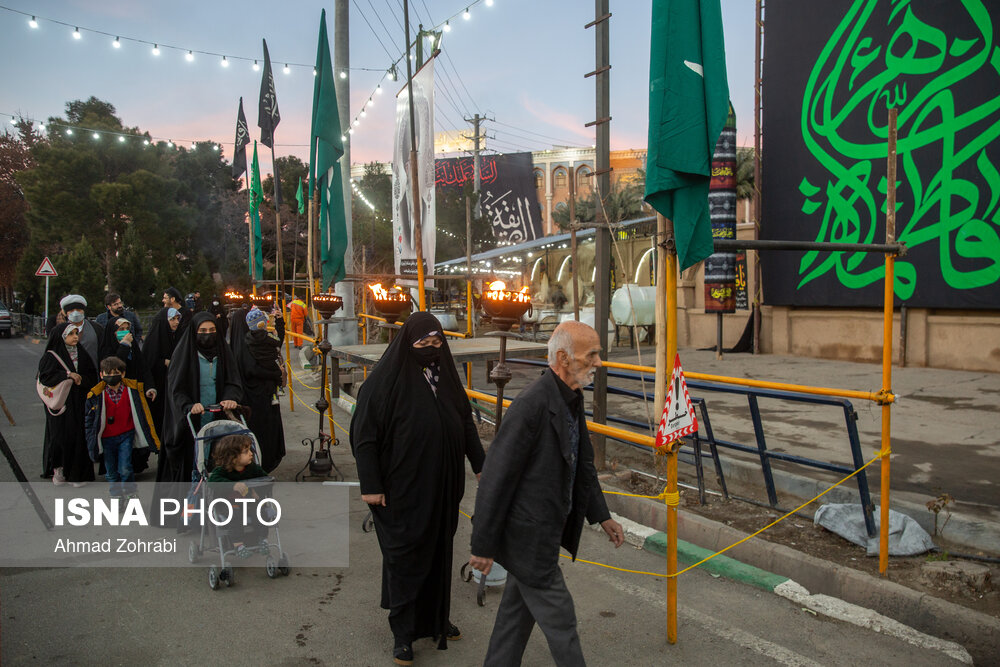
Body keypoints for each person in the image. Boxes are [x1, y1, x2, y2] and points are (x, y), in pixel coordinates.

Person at [469, 320, 625, 667]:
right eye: (592, 355)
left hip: (545, 530)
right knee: (562, 623)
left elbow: (582, 464)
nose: (598, 363)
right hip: (530, 538)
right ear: (563, 358)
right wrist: (482, 546)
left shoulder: (570, 398)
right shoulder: (532, 406)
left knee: (514, 619)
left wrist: (602, 515)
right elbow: (496, 478)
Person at [350, 312, 486, 665]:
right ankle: (403, 632)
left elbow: (465, 423)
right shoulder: (384, 382)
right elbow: (365, 437)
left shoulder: (447, 378)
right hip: (401, 489)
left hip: (443, 485)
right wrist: (371, 486)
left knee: (439, 551)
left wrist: (480, 463)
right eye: (423, 343)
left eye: (437, 342)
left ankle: (436, 620)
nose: (431, 348)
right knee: (405, 557)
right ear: (407, 343)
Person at [153, 311, 242, 526]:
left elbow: (233, 381)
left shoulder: (224, 351)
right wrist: (189, 406)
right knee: (192, 466)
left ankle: (219, 514)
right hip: (191, 420)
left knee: (218, 465)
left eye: (212, 331)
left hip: (217, 418)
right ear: (194, 332)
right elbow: (176, 388)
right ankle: (187, 516)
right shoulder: (184, 354)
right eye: (202, 331)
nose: (208, 335)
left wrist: (230, 398)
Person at [84, 356, 159, 499]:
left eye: (115, 373)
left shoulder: (133, 390)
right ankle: (116, 495)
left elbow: (143, 411)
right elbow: (89, 420)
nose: (112, 377)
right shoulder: (96, 395)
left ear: (123, 373)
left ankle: (130, 493)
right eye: (108, 374)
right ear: (101, 375)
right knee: (111, 470)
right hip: (106, 438)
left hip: (126, 434)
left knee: (125, 467)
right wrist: (90, 438)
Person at [39, 323, 98, 487]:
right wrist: (67, 375)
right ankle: (59, 469)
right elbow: (45, 377)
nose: (75, 337)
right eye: (70, 334)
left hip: (79, 402)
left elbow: (91, 376)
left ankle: (77, 474)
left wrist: (81, 379)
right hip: (61, 404)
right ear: (61, 337)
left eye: (76, 333)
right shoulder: (51, 356)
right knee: (60, 436)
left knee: (79, 436)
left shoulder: (82, 353)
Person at [236, 307, 286, 472]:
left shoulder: (246, 342)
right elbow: (278, 340)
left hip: (257, 396)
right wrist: (276, 373)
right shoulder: (267, 340)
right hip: (267, 395)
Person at [143, 307, 182, 439]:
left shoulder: (176, 336)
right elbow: (148, 361)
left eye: (178, 319)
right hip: (158, 386)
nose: (176, 322)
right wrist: (163, 362)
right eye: (173, 319)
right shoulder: (154, 338)